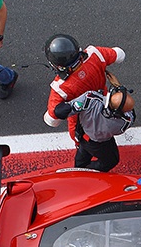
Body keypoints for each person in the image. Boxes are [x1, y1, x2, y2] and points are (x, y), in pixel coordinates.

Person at [42, 34, 127, 168]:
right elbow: (119, 54)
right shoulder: (95, 54)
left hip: (83, 127)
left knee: (97, 153)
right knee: (109, 158)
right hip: (106, 109)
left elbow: (52, 120)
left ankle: (82, 169)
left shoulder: (60, 87)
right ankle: (82, 170)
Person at [60, 81, 136, 172]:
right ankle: (87, 171)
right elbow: (131, 115)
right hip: (99, 144)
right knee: (112, 160)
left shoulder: (90, 100)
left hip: (82, 134)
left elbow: (67, 109)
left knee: (82, 154)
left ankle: (79, 169)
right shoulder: (122, 123)